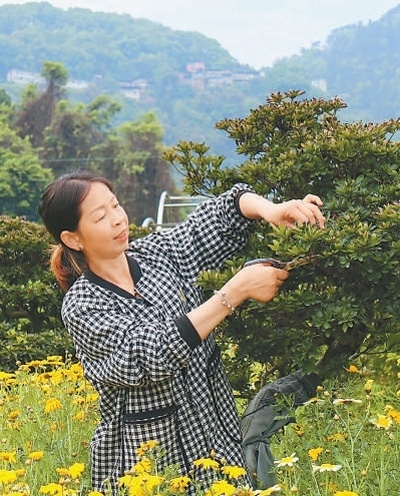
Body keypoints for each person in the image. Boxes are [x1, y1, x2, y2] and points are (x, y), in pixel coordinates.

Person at [38, 171, 325, 494]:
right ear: (73, 239)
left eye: (115, 205)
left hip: (219, 449)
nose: (118, 219)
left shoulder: (157, 255)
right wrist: (233, 292)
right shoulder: (83, 305)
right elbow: (151, 355)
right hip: (149, 469)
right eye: (100, 216)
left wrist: (270, 210)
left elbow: (220, 216)